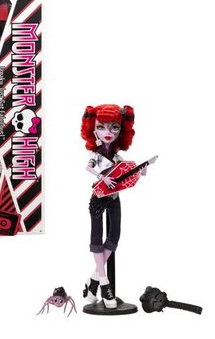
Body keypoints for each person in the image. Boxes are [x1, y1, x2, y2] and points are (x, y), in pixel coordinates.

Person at [80, 104, 137, 308]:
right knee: (97, 235)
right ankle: (104, 284)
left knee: (115, 234)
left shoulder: (117, 156)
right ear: (93, 129)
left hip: (114, 197)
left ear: (121, 131)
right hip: (99, 195)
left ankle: (94, 279)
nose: (108, 132)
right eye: (101, 127)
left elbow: (125, 172)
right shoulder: (96, 154)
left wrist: (140, 171)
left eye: (114, 127)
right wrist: (101, 177)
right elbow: (88, 167)